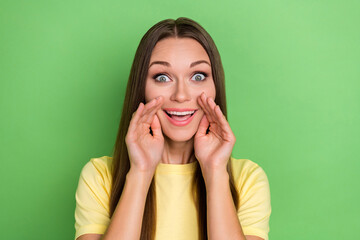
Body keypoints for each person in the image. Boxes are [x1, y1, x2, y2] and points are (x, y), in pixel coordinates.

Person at [74, 17, 271, 240]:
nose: (181, 95)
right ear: (142, 88)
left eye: (198, 76)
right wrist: (141, 171)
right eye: (162, 77)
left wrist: (216, 172)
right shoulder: (100, 177)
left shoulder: (247, 179)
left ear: (215, 87)